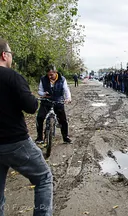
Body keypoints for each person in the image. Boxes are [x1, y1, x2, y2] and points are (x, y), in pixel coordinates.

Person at [0, 38, 53, 216]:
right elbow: (31, 107)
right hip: (15, 142)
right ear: (4, 55)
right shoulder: (12, 77)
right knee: (44, 178)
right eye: (11, 54)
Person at [36, 65, 73, 144]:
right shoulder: (43, 79)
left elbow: (66, 90)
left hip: (58, 101)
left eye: (51, 74)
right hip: (46, 101)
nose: (49, 76)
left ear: (55, 72)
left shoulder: (62, 79)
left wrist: (68, 98)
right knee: (39, 118)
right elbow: (39, 91)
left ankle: (65, 137)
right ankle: (39, 138)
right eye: (48, 74)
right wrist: (43, 94)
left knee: (63, 120)